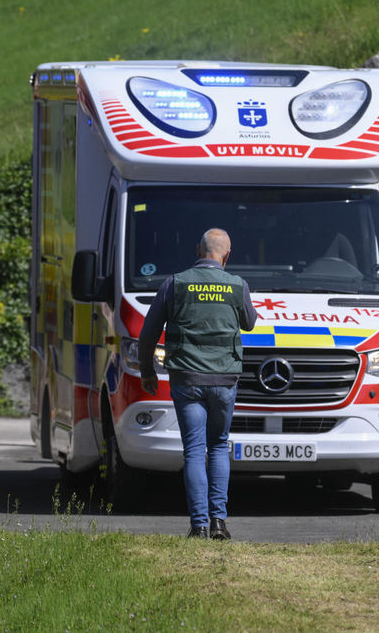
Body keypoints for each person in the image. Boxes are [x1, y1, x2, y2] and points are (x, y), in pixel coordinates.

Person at [140, 228, 257, 539]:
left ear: (198, 250)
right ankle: (219, 522)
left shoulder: (175, 283)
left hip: (187, 379)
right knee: (218, 446)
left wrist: (147, 371)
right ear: (226, 256)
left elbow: (149, 333)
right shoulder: (237, 285)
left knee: (194, 450)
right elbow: (249, 322)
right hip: (224, 380)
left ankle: (199, 525)